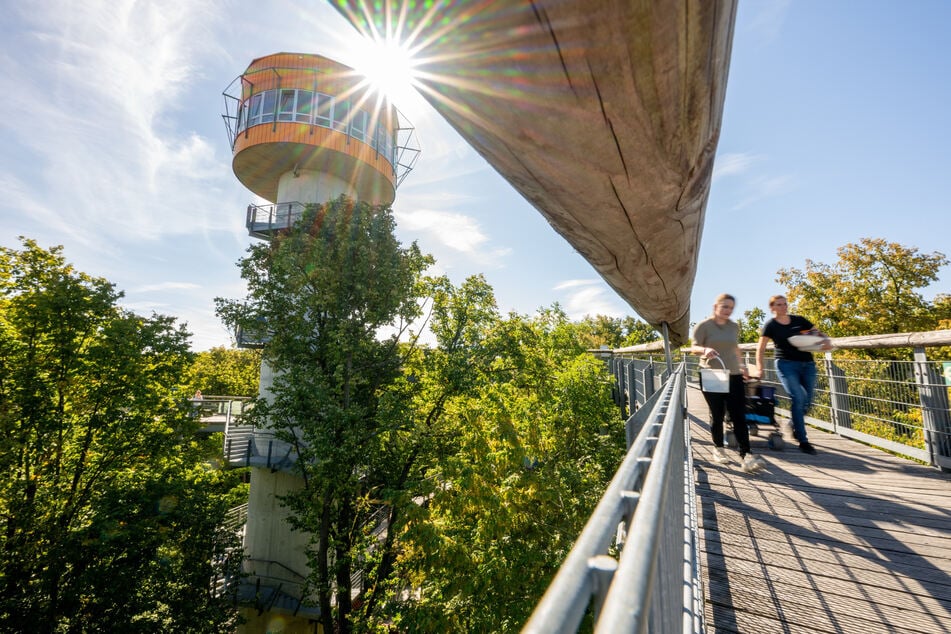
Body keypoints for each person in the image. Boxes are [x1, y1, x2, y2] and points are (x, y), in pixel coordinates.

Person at [691, 293, 766, 473]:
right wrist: (705, 349)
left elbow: (735, 348)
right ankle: (718, 448)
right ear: (715, 306)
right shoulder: (704, 326)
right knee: (717, 414)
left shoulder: (733, 326)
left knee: (739, 415)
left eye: (731, 308)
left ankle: (746, 455)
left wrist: (743, 366)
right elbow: (694, 348)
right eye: (725, 306)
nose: (728, 311)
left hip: (733, 374)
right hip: (712, 374)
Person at [753, 294, 831, 455]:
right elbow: (760, 348)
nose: (783, 307)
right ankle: (803, 441)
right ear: (772, 308)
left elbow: (816, 333)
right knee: (798, 397)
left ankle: (792, 423)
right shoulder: (771, 325)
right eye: (779, 304)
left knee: (809, 401)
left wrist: (825, 340)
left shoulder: (799, 320)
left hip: (808, 364)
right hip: (786, 365)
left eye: (785, 304)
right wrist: (760, 368)